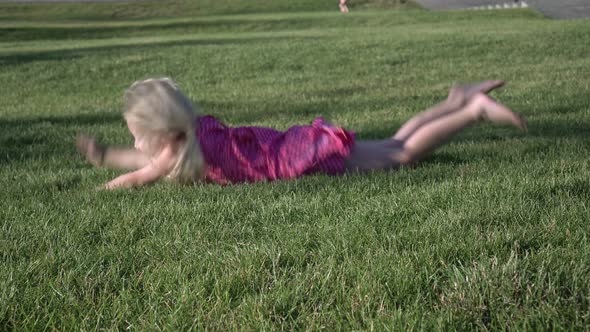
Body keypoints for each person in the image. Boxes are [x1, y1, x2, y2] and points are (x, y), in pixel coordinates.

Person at [76, 78, 526, 189]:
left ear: (161, 135)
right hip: (293, 146)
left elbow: (136, 175)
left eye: (137, 135)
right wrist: (105, 155)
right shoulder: (191, 136)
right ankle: (454, 100)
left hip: (299, 157)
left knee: (401, 156)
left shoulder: (175, 155)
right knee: (392, 143)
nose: (135, 145)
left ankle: (474, 112)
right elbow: (140, 163)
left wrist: (103, 177)